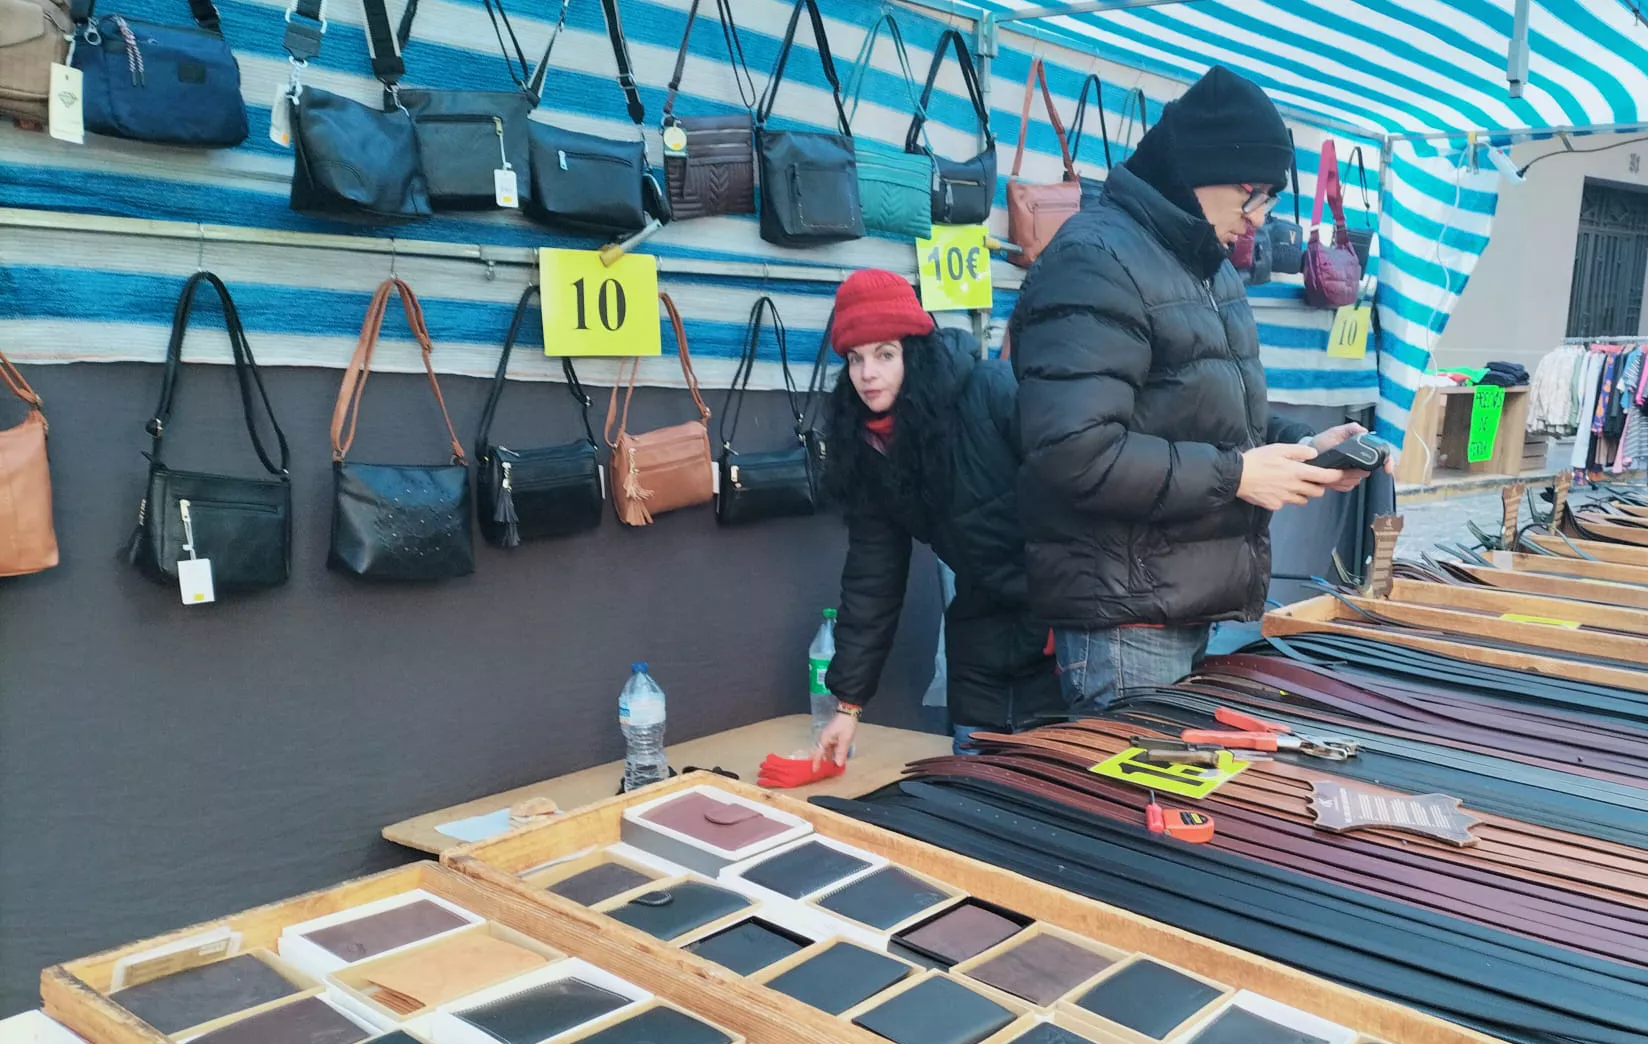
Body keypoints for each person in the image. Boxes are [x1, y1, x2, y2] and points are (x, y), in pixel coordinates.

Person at [1008, 65, 1381, 713]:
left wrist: (1306, 448)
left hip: (1187, 602)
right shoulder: (1096, 258)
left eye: (1269, 198)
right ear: (1198, 172)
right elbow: (1073, 451)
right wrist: (1236, 475)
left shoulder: (1208, 268)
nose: (1259, 218)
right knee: (1132, 809)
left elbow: (1213, 420)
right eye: (1253, 195)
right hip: (1125, 618)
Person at [813, 269, 1060, 764]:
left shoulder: (991, 390)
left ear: (914, 353)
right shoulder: (868, 447)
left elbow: (1076, 483)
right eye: (856, 359)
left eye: (885, 354)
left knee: (1064, 789)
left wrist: (1070, 610)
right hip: (981, 627)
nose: (868, 374)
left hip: (1066, 622)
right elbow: (871, 579)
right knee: (974, 787)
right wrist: (848, 704)